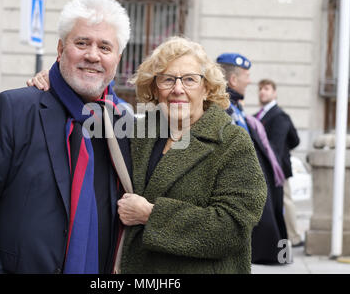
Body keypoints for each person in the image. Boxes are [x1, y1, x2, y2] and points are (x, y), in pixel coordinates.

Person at [29, 37, 267, 273]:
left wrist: (150, 215)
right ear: (154, 88)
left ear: (206, 88)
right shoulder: (141, 131)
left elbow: (233, 228)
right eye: (167, 80)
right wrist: (56, 83)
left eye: (190, 80)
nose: (177, 89)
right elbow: (94, 109)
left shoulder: (231, 141)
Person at [0, 0, 132, 274]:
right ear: (61, 49)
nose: (92, 55)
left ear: (117, 59)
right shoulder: (13, 108)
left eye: (104, 47)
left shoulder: (122, 128)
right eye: (82, 43)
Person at [217, 53, 288, 264]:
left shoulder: (236, 106)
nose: (250, 81)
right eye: (246, 75)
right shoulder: (222, 106)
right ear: (233, 80)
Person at [256, 79, 302, 247]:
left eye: (266, 89)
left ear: (274, 93)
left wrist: (283, 153)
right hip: (266, 168)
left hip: (278, 169)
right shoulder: (258, 115)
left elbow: (285, 142)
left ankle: (293, 237)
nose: (262, 92)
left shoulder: (279, 115)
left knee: (285, 201)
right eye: (260, 89)